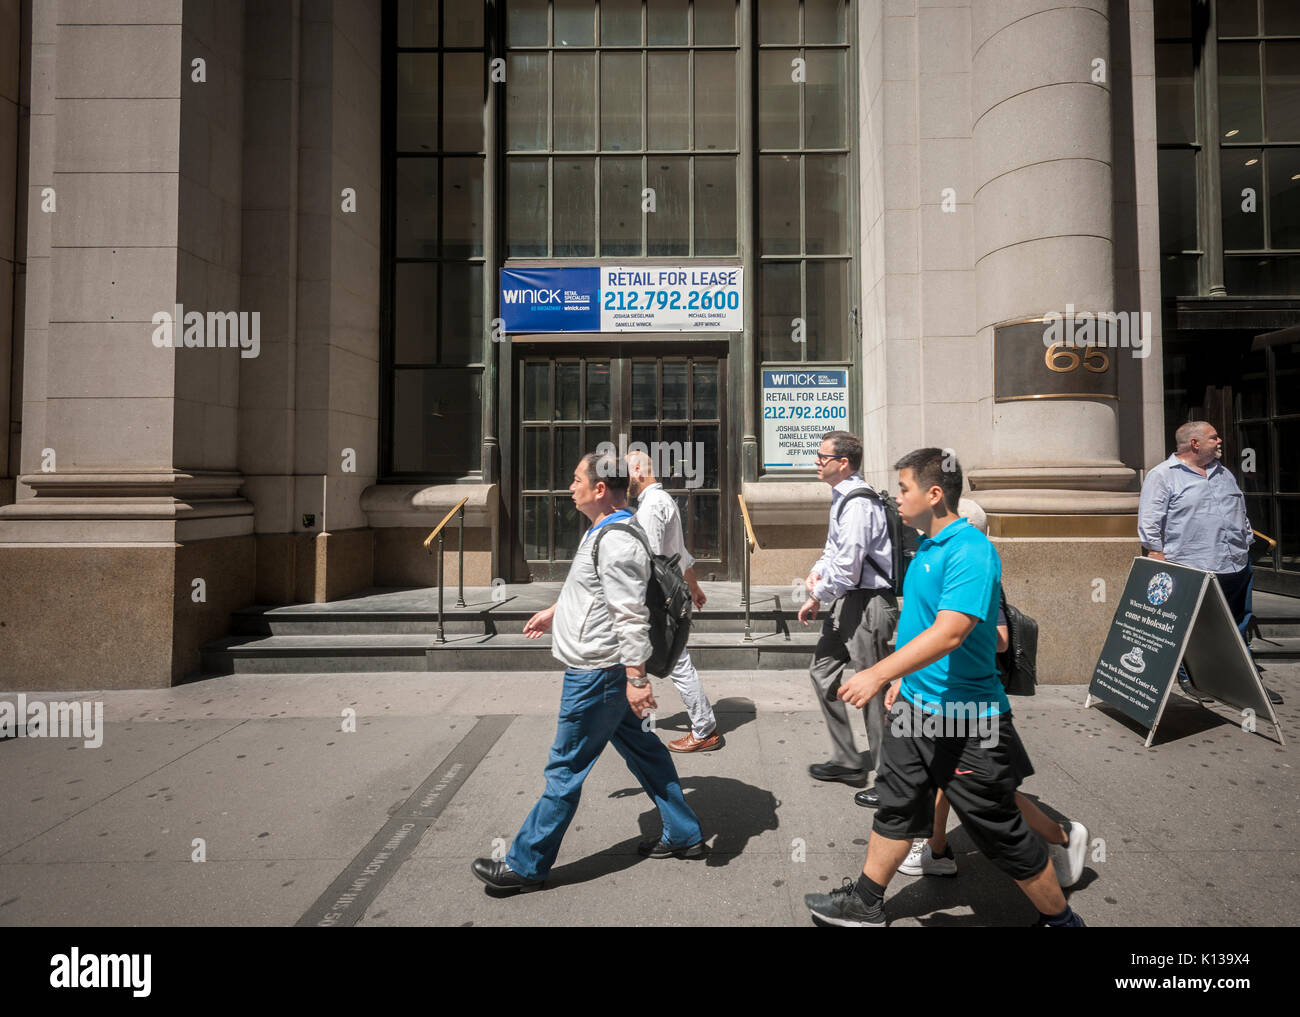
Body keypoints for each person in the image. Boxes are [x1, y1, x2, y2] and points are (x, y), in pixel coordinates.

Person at [804, 448, 1085, 927]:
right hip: (915, 709)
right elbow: (919, 627)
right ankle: (866, 901)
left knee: (998, 828)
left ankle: (1061, 921)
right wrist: (899, 680)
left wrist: (877, 671)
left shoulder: (971, 550)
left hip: (969, 720)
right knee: (896, 804)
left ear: (934, 495)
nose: (896, 497)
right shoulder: (925, 548)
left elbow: (951, 631)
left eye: (904, 488)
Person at [471, 450, 705, 895]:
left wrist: (636, 679)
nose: (570, 487)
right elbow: (594, 589)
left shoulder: (616, 538)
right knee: (645, 751)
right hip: (604, 669)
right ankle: (685, 833)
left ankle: (526, 864)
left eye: (577, 479)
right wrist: (555, 612)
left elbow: (630, 613)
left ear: (600, 489)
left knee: (565, 768)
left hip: (598, 672)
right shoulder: (605, 530)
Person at [1138, 420, 1282, 705]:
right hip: (1193, 565)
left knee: (1238, 624)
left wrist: (1247, 545)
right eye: (1214, 437)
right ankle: (1191, 677)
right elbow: (1150, 521)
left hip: (1236, 564)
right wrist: (1156, 553)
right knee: (1188, 626)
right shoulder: (1163, 475)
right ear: (1195, 443)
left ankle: (1244, 681)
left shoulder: (1223, 473)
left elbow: (1238, 510)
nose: (1219, 442)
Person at [798, 431, 899, 805]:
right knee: (822, 671)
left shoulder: (858, 503)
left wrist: (818, 594)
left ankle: (891, 778)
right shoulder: (842, 500)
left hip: (868, 603)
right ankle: (847, 760)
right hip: (847, 601)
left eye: (822, 457)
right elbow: (834, 552)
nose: (816, 462)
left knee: (873, 690)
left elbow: (850, 567)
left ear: (844, 463)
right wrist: (816, 574)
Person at [625, 450, 720, 752]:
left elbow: (648, 559)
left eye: (626, 472)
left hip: (656, 600)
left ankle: (704, 729)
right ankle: (625, 720)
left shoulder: (652, 505)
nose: (622, 480)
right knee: (667, 660)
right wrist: (694, 588)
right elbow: (681, 554)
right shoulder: (661, 501)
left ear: (638, 470)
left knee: (677, 662)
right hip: (663, 597)